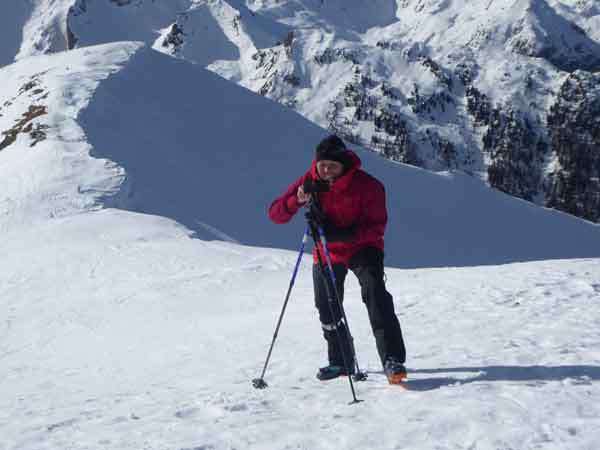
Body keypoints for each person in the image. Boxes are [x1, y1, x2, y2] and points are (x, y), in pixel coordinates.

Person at [268, 135, 407, 384]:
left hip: (363, 247)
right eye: (322, 165)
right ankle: (341, 361)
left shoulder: (368, 186)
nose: (326, 170)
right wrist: (297, 200)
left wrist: (345, 234)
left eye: (332, 165)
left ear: (344, 164)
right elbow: (275, 215)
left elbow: (377, 228)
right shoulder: (310, 181)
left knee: (375, 293)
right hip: (327, 250)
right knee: (327, 305)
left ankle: (392, 360)